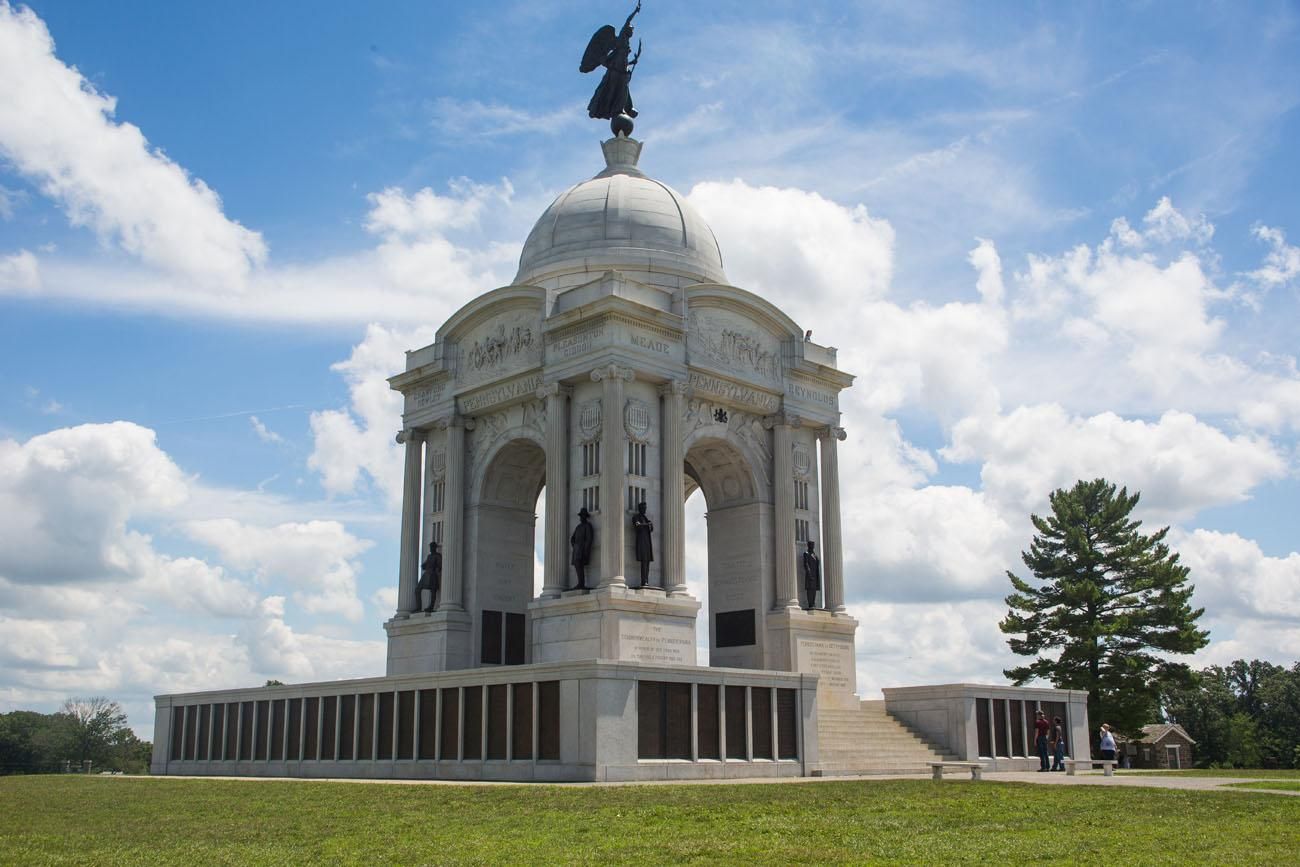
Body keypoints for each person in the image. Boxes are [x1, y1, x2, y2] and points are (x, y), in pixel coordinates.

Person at [570, 507, 594, 590]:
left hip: (582, 550)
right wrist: (575, 545)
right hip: (576, 550)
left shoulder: (588, 526)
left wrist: (585, 551)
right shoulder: (578, 527)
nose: (581, 518)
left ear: (585, 516)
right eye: (580, 516)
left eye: (582, 516)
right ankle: (580, 583)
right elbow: (572, 538)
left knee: (580, 566)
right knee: (577, 566)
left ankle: (581, 583)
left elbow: (589, 539)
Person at [631, 501, 653, 588]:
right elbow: (638, 526)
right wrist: (648, 524)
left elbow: (651, 529)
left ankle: (646, 580)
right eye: (643, 508)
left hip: (647, 543)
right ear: (640, 508)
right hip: (641, 543)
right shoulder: (636, 517)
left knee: (647, 562)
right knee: (644, 561)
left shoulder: (645, 518)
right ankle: (643, 581)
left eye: (645, 508)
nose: (645, 510)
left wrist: (649, 524)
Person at [416, 541, 441, 613]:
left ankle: (431, 607)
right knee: (417, 589)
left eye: (432, 547)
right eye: (430, 547)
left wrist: (436, 569)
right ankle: (418, 607)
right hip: (426, 575)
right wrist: (424, 565)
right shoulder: (429, 556)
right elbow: (425, 564)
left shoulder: (438, 556)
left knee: (433, 591)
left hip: (433, 575)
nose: (430, 549)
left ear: (434, 548)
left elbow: (439, 566)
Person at [802, 541, 821, 611]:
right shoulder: (806, 554)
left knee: (814, 589)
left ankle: (813, 603)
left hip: (815, 574)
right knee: (810, 589)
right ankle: (810, 603)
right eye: (811, 545)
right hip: (810, 574)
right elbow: (806, 564)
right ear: (808, 545)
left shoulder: (815, 555)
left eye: (813, 545)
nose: (812, 546)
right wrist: (809, 573)